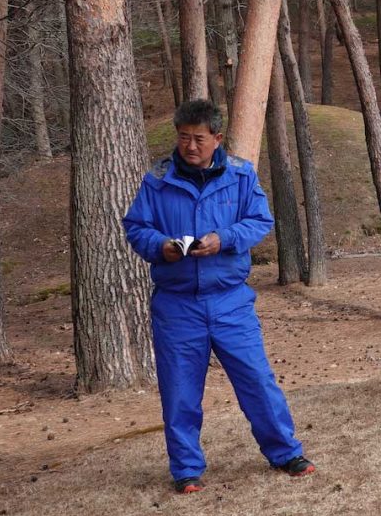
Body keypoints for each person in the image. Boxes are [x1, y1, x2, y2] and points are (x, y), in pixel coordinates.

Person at [123, 99, 314, 494]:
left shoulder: (240, 175)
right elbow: (136, 227)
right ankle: (186, 470)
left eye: (198, 139)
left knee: (257, 380)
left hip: (230, 301)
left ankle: (285, 452)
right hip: (176, 305)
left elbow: (260, 220)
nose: (190, 146)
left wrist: (224, 239)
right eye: (183, 138)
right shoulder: (157, 180)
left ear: (217, 138)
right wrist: (161, 246)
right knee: (179, 391)